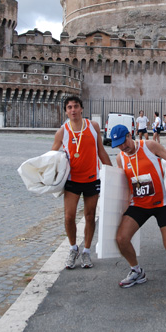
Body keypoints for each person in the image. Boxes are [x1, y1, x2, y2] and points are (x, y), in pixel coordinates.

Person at [111, 124, 166, 288]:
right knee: (121, 238)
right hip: (138, 204)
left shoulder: (149, 146)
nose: (123, 147)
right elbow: (123, 184)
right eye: (118, 145)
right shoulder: (120, 158)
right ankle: (136, 271)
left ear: (129, 136)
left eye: (124, 143)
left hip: (162, 203)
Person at [52, 95, 112, 269]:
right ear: (66, 111)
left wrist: (114, 173)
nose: (73, 110)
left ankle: (86, 251)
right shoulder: (62, 131)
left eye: (76, 106)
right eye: (69, 107)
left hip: (92, 179)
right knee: (69, 217)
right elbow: (52, 156)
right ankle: (73, 248)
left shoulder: (93, 127)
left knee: (90, 216)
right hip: (72, 180)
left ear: (81, 109)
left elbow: (101, 152)